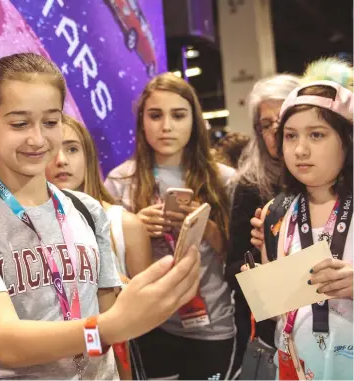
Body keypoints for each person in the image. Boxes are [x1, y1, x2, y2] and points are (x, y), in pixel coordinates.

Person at [0, 53, 201, 380]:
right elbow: (6, 342)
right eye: (19, 124)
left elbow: (111, 321)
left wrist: (151, 300)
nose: (37, 139)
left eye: (50, 122)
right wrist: (108, 327)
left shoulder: (87, 211)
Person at [104, 72, 236, 380]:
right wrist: (136, 229)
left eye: (178, 115)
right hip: (149, 324)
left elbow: (241, 257)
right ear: (142, 122)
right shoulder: (120, 181)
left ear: (194, 120)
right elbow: (109, 265)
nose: (166, 126)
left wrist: (207, 228)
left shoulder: (225, 179)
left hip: (212, 324)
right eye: (155, 115)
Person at [245, 58, 353, 380]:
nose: (300, 150)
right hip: (295, 365)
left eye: (317, 135)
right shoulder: (276, 212)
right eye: (290, 136)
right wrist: (261, 284)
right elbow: (278, 311)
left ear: (347, 141)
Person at [45, 114, 152, 379]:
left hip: (113, 365)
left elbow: (148, 316)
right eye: (52, 149)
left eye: (72, 148)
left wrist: (122, 294)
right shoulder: (24, 227)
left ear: (88, 157)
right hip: (49, 363)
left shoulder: (124, 224)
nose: (62, 160)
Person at [224, 74, 301, 376]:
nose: (275, 132)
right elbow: (234, 271)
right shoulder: (250, 185)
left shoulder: (339, 182)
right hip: (274, 336)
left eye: (281, 120)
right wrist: (263, 256)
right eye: (264, 125)